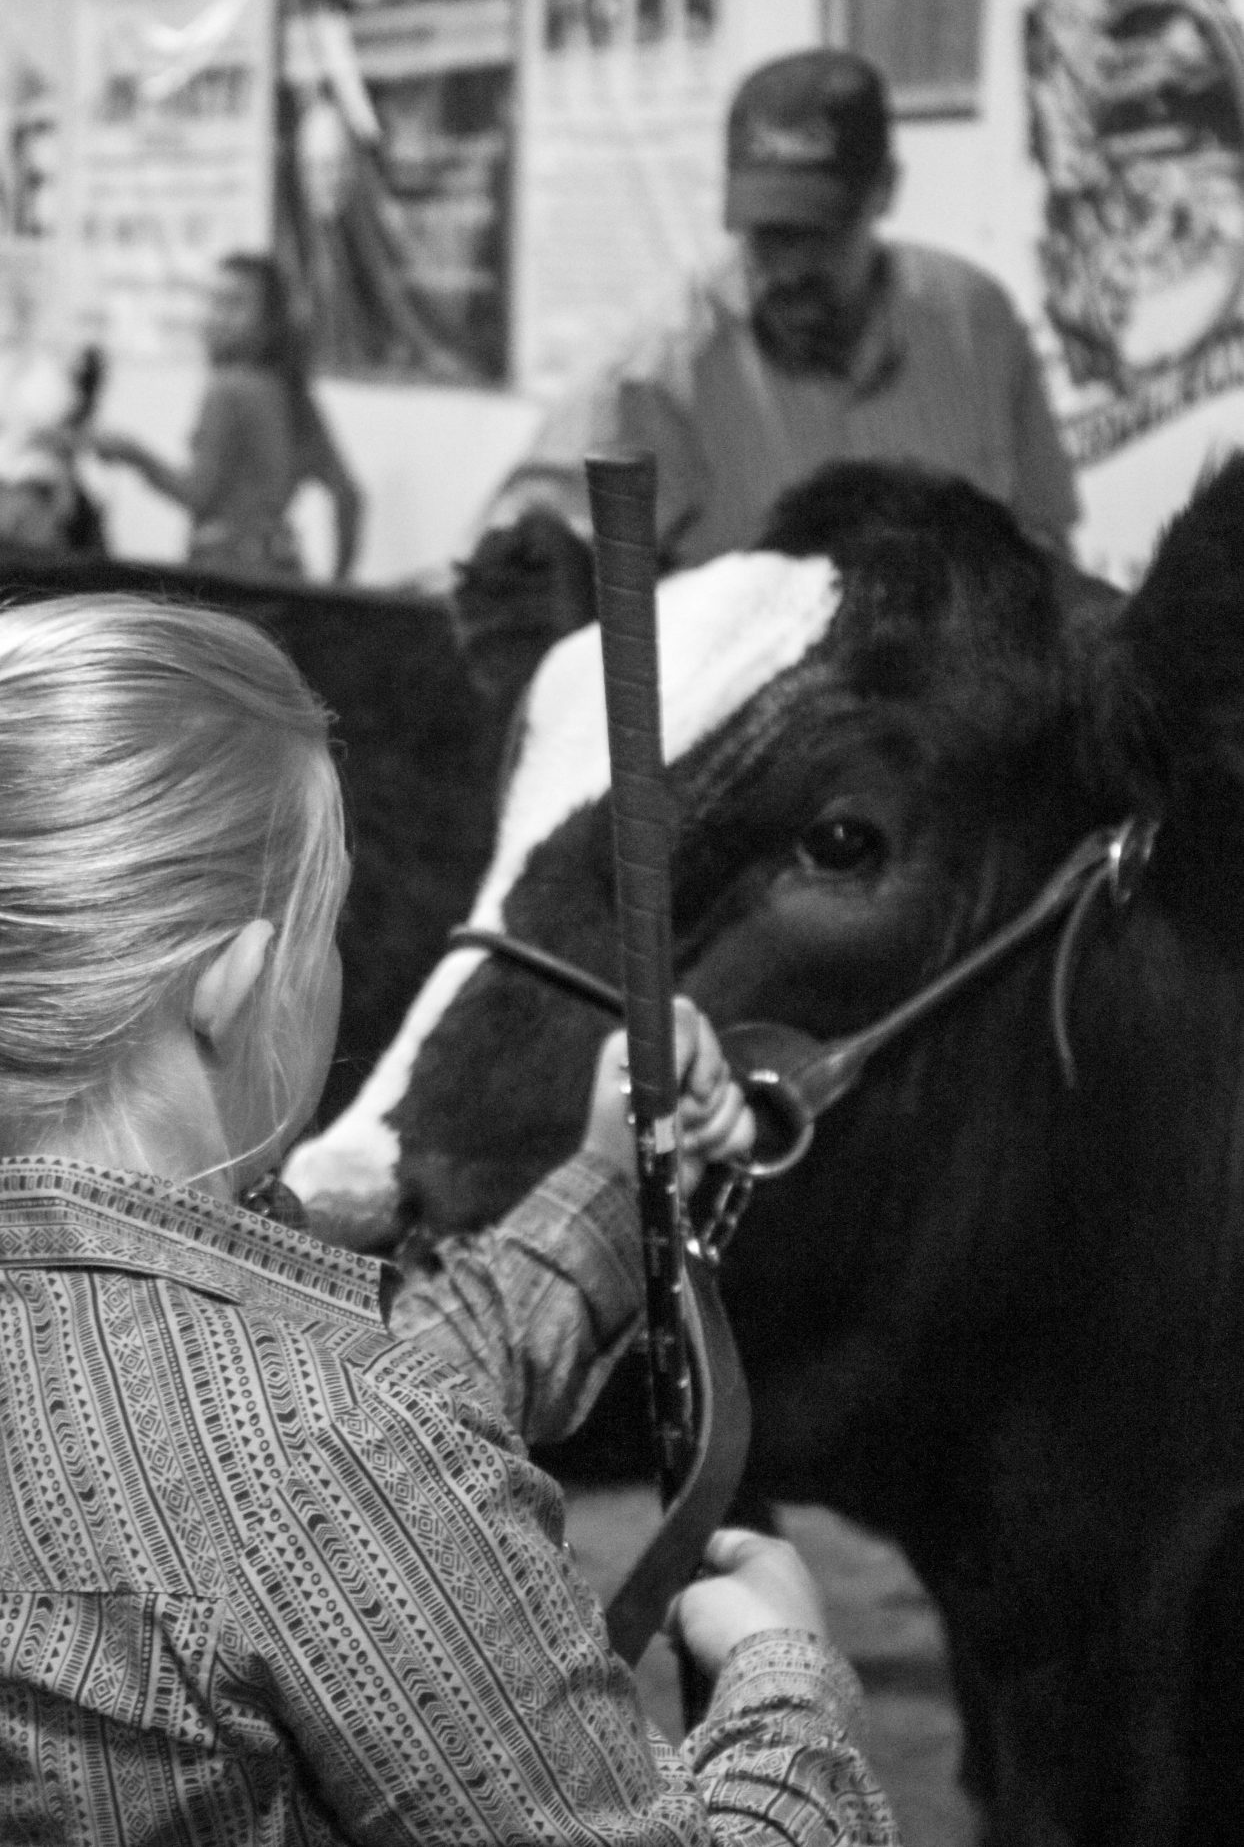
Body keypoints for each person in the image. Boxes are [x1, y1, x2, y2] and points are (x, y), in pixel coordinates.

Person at [0, 591, 900, 1846]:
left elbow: (258, 1417)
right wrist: (784, 1684)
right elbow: (320, 1462)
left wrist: (604, 1180)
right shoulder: (329, 1454)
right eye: (326, 928)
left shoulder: (268, 1419)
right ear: (238, 983)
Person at [479, 46, 1079, 572]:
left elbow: (1046, 540)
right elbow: (518, 565)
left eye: (817, 234)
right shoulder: (662, 370)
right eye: (766, 235)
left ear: (886, 190)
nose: (788, 270)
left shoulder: (978, 323)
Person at [90, 252, 363, 581]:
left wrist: (133, 454)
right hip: (285, 570)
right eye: (213, 302)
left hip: (225, 575)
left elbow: (198, 495)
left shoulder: (228, 390)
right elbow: (348, 496)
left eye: (234, 304)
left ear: (271, 321)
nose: (217, 317)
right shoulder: (292, 393)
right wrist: (339, 583)